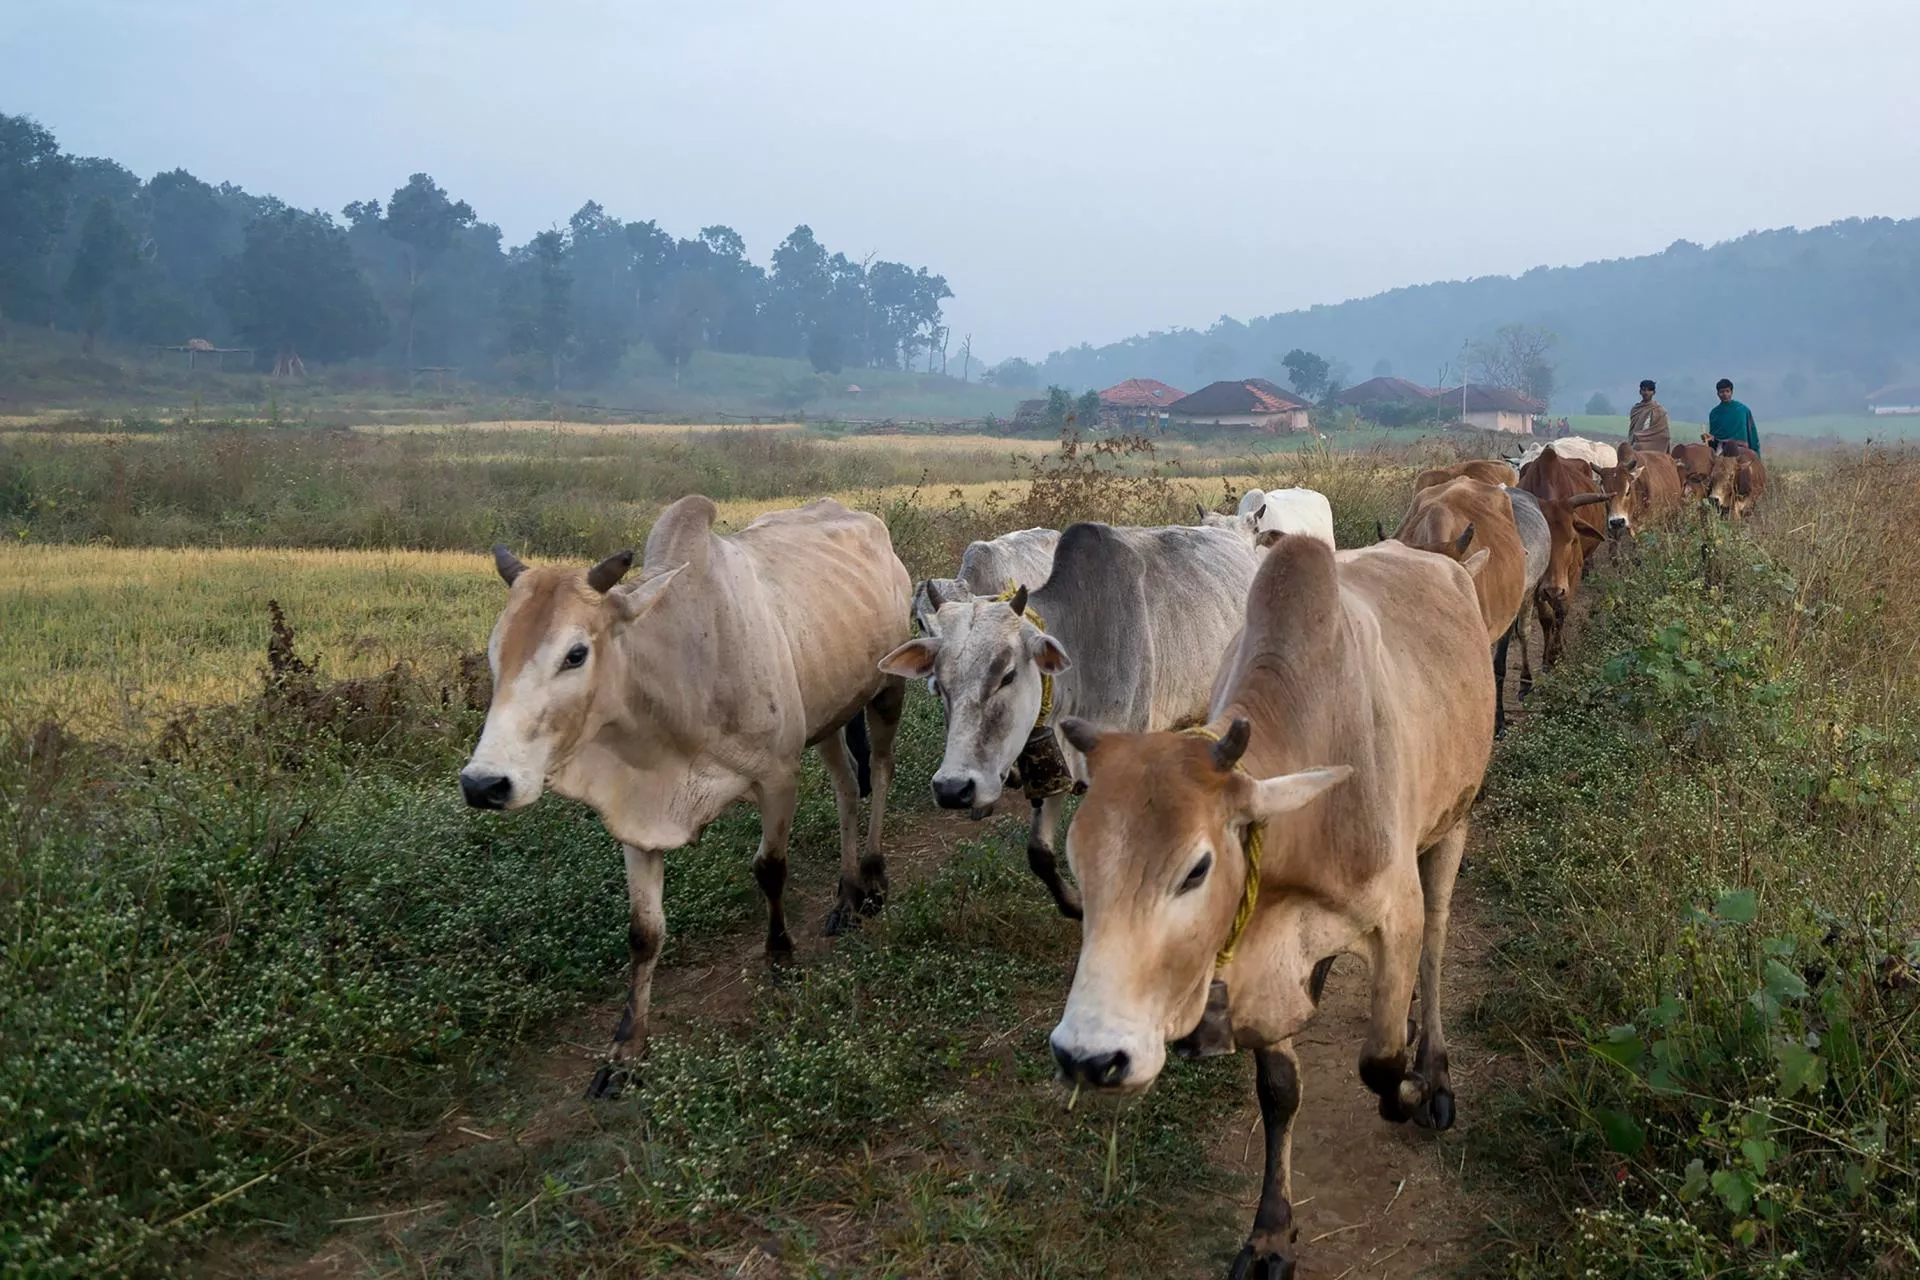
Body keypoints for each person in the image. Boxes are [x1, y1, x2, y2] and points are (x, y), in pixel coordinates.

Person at [1707, 378, 1761, 453]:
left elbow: (1752, 433)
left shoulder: (1743, 410)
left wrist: (1756, 452)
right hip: (1721, 449)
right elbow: (1713, 439)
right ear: (1718, 394)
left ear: (1731, 392)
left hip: (1741, 449)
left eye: (1727, 391)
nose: (1725, 394)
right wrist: (1709, 439)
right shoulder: (1714, 413)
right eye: (1722, 392)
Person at [1627, 379, 1670, 454]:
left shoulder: (1660, 411)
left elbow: (1664, 435)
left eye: (1649, 390)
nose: (1646, 392)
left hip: (1654, 445)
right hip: (1636, 443)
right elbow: (1633, 430)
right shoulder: (1635, 409)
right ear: (1640, 392)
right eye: (1644, 390)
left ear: (1654, 392)